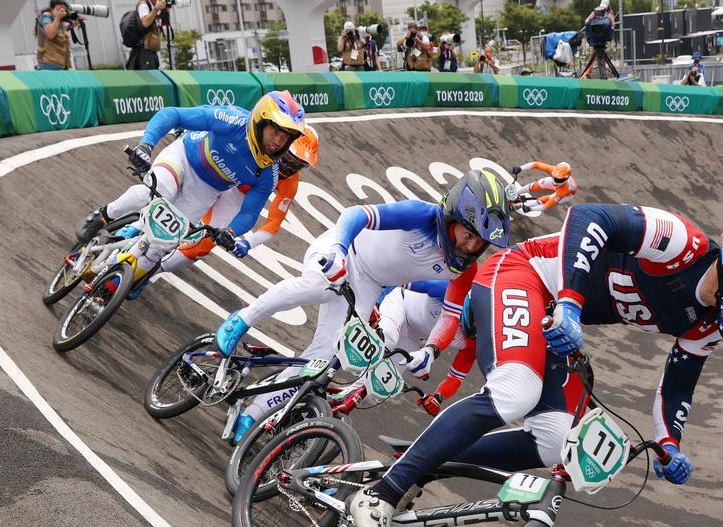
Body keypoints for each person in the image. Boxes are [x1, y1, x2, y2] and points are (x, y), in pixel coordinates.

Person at [349, 206, 723, 527]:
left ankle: (421, 460)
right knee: (516, 391)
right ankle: (381, 494)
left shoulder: (706, 326)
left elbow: (679, 381)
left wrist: (669, 443)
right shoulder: (680, 242)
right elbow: (588, 218)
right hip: (522, 276)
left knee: (551, 441)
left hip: (555, 317)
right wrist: (570, 302)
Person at [211, 169, 512, 440]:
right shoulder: (420, 214)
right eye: (468, 235)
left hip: (368, 285)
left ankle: (253, 412)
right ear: (453, 216)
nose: (471, 247)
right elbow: (356, 215)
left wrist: (430, 352)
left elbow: (450, 316)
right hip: (344, 251)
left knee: (321, 362)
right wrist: (338, 251)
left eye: (480, 243)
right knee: (316, 285)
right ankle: (242, 319)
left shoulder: (465, 270)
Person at [73, 91, 307, 297]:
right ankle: (104, 214)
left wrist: (231, 231)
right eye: (274, 131)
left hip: (206, 190)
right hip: (183, 158)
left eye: (285, 136)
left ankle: (110, 286)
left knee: (159, 247)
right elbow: (172, 114)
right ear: (260, 122)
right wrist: (146, 145)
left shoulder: (269, 174)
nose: (278, 141)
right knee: (155, 192)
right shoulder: (233, 121)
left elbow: (250, 213)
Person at [151, 124, 321, 296]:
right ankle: (137, 227)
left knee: (205, 243)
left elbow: (274, 223)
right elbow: (221, 127)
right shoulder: (258, 140)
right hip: (221, 174)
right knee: (174, 196)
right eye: (289, 159)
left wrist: (248, 242)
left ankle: (150, 272)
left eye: (298, 165)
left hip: (236, 195)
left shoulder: (290, 183)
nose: (289, 168)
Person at [508, 160, 578, 213]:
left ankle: (520, 205)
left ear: (565, 179)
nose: (556, 181)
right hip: (562, 187)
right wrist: (520, 168)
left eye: (559, 180)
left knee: (544, 199)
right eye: (554, 177)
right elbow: (536, 164)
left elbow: (547, 205)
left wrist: (531, 209)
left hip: (567, 194)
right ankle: (515, 194)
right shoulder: (553, 170)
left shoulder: (564, 191)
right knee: (534, 185)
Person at [125, 0, 165, 70]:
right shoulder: (143, 4)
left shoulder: (152, 7)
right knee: (149, 78)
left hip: (150, 49)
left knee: (153, 75)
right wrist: (156, 9)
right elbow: (145, 23)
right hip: (144, 50)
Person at [35, 0, 73, 70]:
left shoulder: (58, 20)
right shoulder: (46, 17)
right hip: (49, 62)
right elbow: (51, 34)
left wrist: (75, 22)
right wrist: (58, 17)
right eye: (59, 10)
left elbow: (60, 33)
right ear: (52, 9)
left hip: (60, 62)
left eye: (64, 10)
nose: (62, 12)